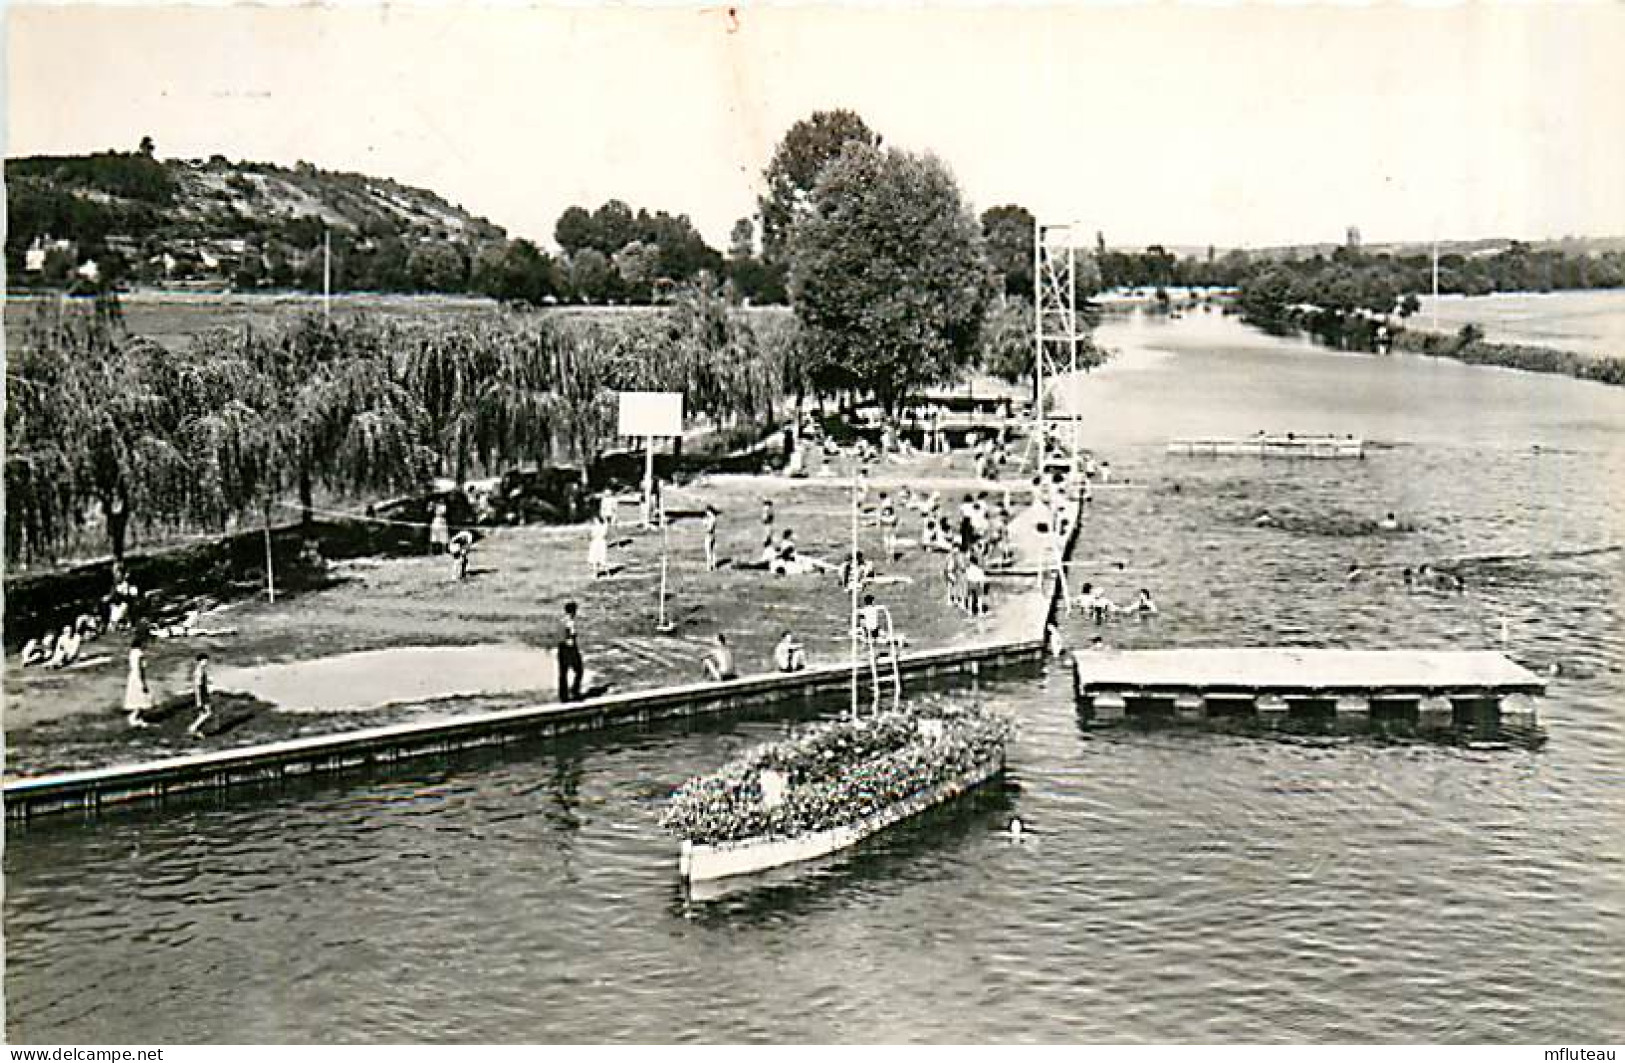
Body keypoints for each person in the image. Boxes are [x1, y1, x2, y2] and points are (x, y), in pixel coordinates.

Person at [124, 631, 155, 728]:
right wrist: (141, 683)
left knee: (141, 699)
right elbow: (138, 669)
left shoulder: (135, 652)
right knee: (141, 699)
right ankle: (133, 718)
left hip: (136, 676)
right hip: (137, 678)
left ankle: (139, 718)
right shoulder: (138, 654)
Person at [557, 601, 584, 702]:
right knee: (579, 670)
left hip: (561, 647)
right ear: (574, 610)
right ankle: (575, 691)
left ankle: (563, 695)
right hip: (569, 648)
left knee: (563, 673)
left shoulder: (561, 620)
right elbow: (570, 635)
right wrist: (573, 649)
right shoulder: (570, 622)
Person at [187, 653, 213, 737]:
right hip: (202, 694)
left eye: (206, 661)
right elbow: (197, 686)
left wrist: (208, 681)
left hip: (203, 693)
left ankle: (197, 731)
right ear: (199, 661)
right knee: (207, 713)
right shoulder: (199, 672)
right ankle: (193, 728)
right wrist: (198, 700)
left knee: (203, 713)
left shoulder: (200, 670)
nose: (206, 663)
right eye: (204, 661)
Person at [878, 494, 899, 561]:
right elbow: (880, 525)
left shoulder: (893, 517)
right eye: (885, 511)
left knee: (892, 545)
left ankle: (892, 557)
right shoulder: (882, 518)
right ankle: (888, 557)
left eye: (888, 511)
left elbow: (895, 524)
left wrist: (896, 529)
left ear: (890, 511)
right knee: (886, 545)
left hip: (892, 533)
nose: (886, 512)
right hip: (886, 534)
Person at [703, 504, 719, 571]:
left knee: (708, 552)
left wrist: (705, 524)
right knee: (713, 552)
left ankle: (709, 567)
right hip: (713, 536)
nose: (706, 512)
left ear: (709, 511)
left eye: (707, 511)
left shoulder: (710, 519)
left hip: (708, 536)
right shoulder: (714, 518)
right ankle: (714, 565)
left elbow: (709, 529)